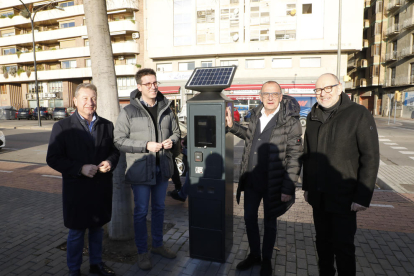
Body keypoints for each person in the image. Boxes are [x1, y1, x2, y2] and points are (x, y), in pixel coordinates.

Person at [302, 73, 379, 276]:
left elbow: (370, 157)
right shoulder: (313, 115)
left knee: (344, 247)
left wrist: (362, 196)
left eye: (327, 88)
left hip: (344, 197)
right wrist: (307, 187)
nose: (323, 94)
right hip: (319, 196)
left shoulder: (358, 114)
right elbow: (308, 155)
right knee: (322, 244)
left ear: (339, 88)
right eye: (318, 90)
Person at [226, 81, 303, 276]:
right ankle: (254, 255)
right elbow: (250, 137)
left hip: (274, 183)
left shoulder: (290, 121)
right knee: (249, 218)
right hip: (252, 180)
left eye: (274, 94)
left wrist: (288, 188)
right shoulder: (255, 115)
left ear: (281, 96)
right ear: (260, 96)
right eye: (266, 94)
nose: (270, 97)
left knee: (270, 222)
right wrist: (232, 126)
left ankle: (267, 259)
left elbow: (295, 157)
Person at [46, 83, 120, 276]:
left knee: (97, 230)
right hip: (77, 189)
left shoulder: (106, 125)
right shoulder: (62, 127)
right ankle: (74, 270)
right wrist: (79, 168)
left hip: (100, 188)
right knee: (77, 232)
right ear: (75, 101)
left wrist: (109, 162)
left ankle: (96, 264)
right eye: (85, 98)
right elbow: (53, 158)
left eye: (93, 98)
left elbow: (114, 151)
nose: (90, 102)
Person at [114, 68, 180, 271]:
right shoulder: (128, 111)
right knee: (141, 212)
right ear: (139, 86)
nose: (153, 87)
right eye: (148, 84)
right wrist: (145, 145)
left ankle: (158, 246)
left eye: (155, 82)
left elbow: (177, 131)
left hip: (162, 169)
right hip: (140, 171)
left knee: (159, 209)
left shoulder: (167, 107)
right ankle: (142, 252)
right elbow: (119, 141)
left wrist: (172, 140)